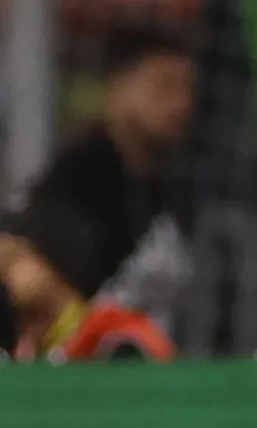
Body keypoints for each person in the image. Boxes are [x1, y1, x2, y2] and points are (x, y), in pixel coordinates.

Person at [0, 23, 195, 360]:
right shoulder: (74, 185)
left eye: (186, 90)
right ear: (118, 87)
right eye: (163, 87)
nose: (181, 105)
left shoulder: (176, 184)